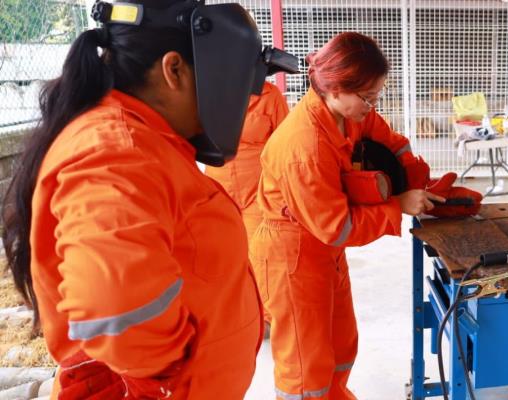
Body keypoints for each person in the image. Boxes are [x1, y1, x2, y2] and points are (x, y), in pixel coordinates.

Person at [1, 1, 280, 397]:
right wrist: (170, 378)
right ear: (174, 70)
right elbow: (114, 308)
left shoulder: (145, 141)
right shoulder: (116, 153)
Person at [250, 32, 445, 399]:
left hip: (323, 254)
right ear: (336, 88)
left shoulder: (349, 115)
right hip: (291, 256)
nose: (372, 106)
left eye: (376, 96)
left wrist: (413, 175)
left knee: (341, 345)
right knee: (306, 366)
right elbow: (336, 226)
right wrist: (397, 206)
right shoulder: (304, 146)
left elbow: (388, 139)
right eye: (367, 97)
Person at [205, 82, 289, 246]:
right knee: (223, 252)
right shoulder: (206, 93)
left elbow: (285, 148)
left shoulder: (271, 96)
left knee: (257, 250)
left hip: (257, 193)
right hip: (219, 191)